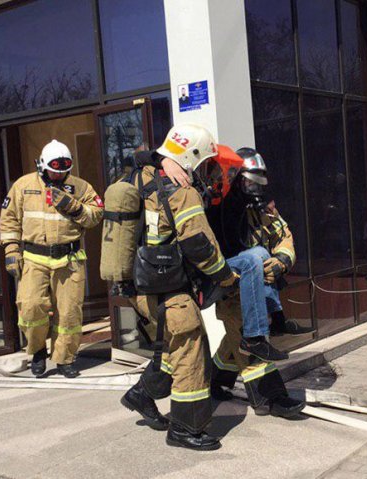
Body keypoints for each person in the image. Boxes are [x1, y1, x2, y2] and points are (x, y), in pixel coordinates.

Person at [118, 124, 238, 451]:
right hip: (168, 290)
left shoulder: (139, 177)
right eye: (204, 164)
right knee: (191, 348)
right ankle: (185, 428)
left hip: (140, 287)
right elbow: (201, 247)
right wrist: (227, 278)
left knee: (171, 345)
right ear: (190, 158)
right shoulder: (182, 190)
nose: (206, 171)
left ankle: (142, 394)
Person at [206, 147, 309, 418]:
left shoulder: (262, 207)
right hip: (232, 291)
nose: (255, 188)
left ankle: (215, 380)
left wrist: (282, 262)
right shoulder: (219, 209)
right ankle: (272, 399)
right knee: (249, 346)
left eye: (259, 182)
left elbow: (283, 236)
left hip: (259, 292)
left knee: (233, 341)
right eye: (250, 182)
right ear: (238, 178)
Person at [0, 140, 104, 379]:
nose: (59, 174)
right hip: (34, 258)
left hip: (70, 259)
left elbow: (96, 214)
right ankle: (37, 351)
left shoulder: (80, 187)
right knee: (30, 306)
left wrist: (76, 208)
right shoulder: (23, 186)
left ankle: (65, 359)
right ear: (42, 166)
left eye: (64, 169)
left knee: (68, 314)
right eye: (55, 169)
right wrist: (11, 251)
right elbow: (9, 220)